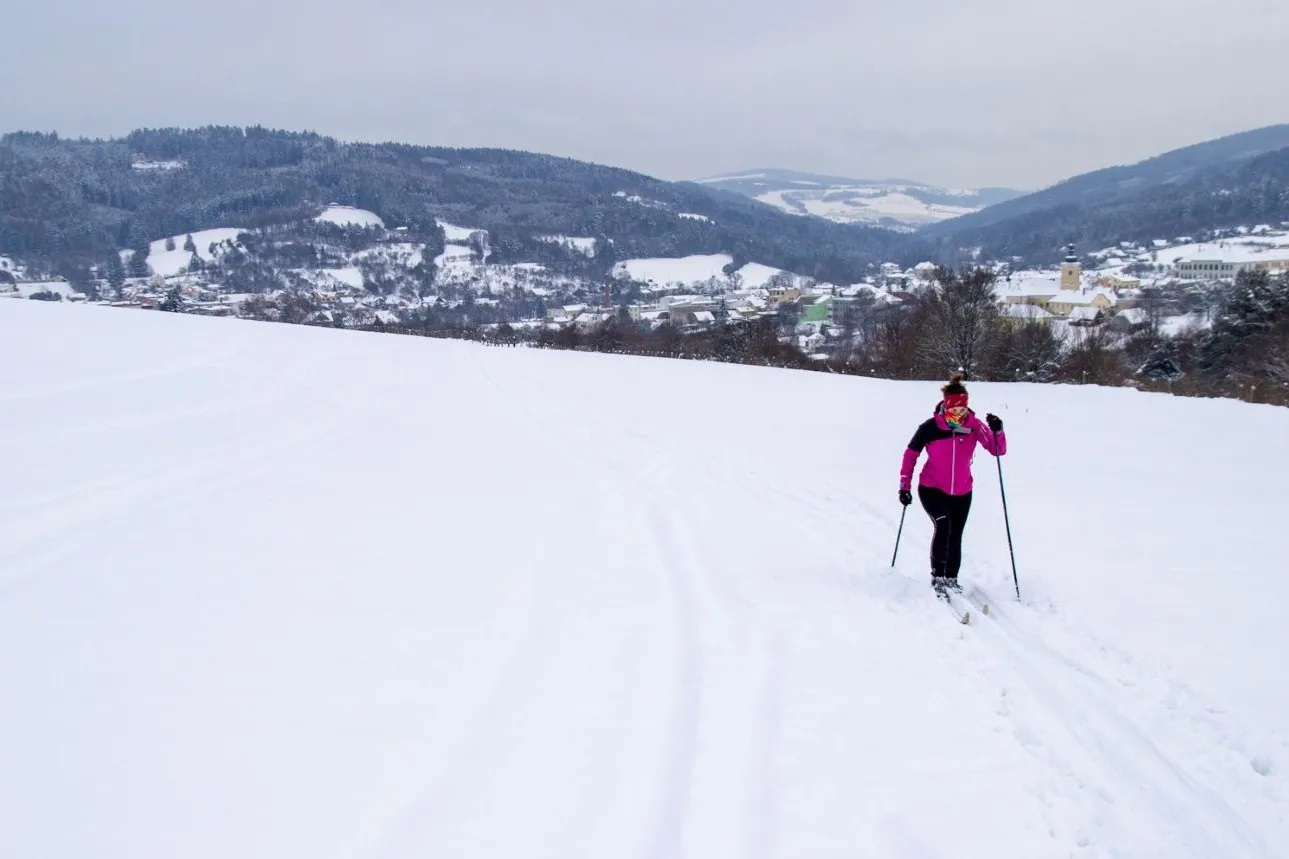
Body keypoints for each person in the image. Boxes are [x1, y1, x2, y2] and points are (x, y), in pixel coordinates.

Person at [897, 373, 1006, 593]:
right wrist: (904, 487)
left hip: (962, 492)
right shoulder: (930, 427)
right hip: (931, 488)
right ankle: (938, 576)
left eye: (962, 410)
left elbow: (997, 450)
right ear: (946, 407)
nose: (959, 414)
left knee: (955, 534)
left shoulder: (974, 426)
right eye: (954, 410)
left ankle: (951, 578)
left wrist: (998, 431)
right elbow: (910, 455)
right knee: (943, 525)